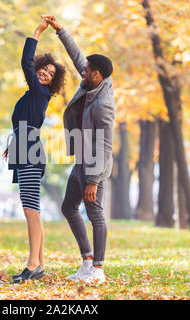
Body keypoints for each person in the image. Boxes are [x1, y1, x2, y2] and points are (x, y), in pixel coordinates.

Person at [43, 15, 115, 285]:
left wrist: (94, 180)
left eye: (86, 71)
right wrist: (60, 30)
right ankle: (86, 263)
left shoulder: (104, 103)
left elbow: (105, 144)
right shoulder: (91, 82)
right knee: (69, 207)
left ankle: (98, 269)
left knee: (95, 212)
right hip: (82, 162)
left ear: (97, 74)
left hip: (95, 165)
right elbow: (77, 57)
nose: (81, 72)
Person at [3, 18, 66, 283]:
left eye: (51, 74)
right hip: (24, 148)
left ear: (52, 81)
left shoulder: (40, 93)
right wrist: (12, 146)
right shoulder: (33, 95)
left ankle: (33, 265)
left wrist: (38, 32)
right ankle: (37, 263)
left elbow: (25, 63)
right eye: (44, 70)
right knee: (33, 209)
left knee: (30, 209)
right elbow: (22, 123)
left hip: (29, 151)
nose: (45, 74)